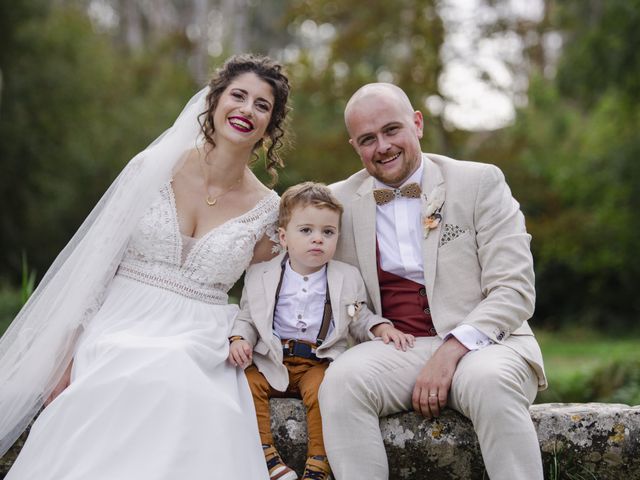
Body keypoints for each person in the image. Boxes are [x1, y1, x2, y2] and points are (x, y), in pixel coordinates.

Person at [0, 53, 291, 479]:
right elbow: (95, 266)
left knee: (179, 375)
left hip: (201, 334)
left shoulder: (271, 210)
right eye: (239, 96)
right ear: (214, 100)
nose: (247, 110)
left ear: (270, 126)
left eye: (262, 105)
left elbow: (268, 293)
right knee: (124, 366)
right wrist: (64, 355)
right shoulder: (151, 168)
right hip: (121, 316)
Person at [318, 82, 547, 480]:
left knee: (491, 382)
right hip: (395, 349)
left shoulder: (479, 182)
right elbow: (339, 297)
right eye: (368, 139)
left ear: (417, 124)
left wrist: (452, 349)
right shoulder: (335, 203)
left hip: (487, 345)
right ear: (354, 145)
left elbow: (514, 288)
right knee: (341, 382)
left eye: (392, 130)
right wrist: (367, 321)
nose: (383, 146)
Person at [227, 182, 412, 480]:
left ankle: (318, 464)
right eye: (306, 231)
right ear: (284, 237)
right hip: (271, 360)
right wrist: (239, 339)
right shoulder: (261, 274)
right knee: (245, 384)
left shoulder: (346, 277)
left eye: (328, 232)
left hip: (317, 360)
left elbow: (357, 315)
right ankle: (266, 456)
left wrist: (379, 326)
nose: (318, 239)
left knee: (324, 394)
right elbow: (248, 317)